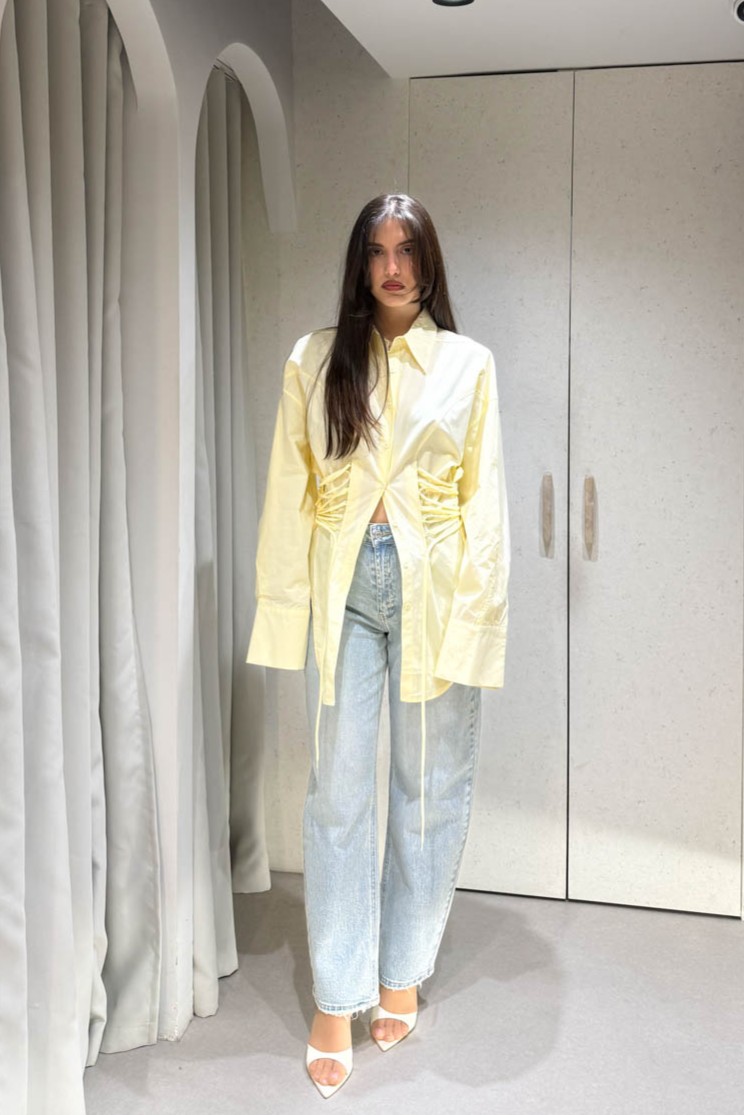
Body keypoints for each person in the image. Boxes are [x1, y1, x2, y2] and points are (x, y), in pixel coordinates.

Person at [246, 193, 510, 1098]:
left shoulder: (468, 365)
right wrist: (283, 613)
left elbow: (484, 502)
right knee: (339, 793)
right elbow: (290, 491)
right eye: (377, 252)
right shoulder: (316, 358)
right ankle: (338, 993)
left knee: (428, 785)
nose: (393, 268)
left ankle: (402, 968)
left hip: (435, 584)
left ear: (429, 262)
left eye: (408, 250)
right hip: (344, 586)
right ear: (360, 265)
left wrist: (477, 623)